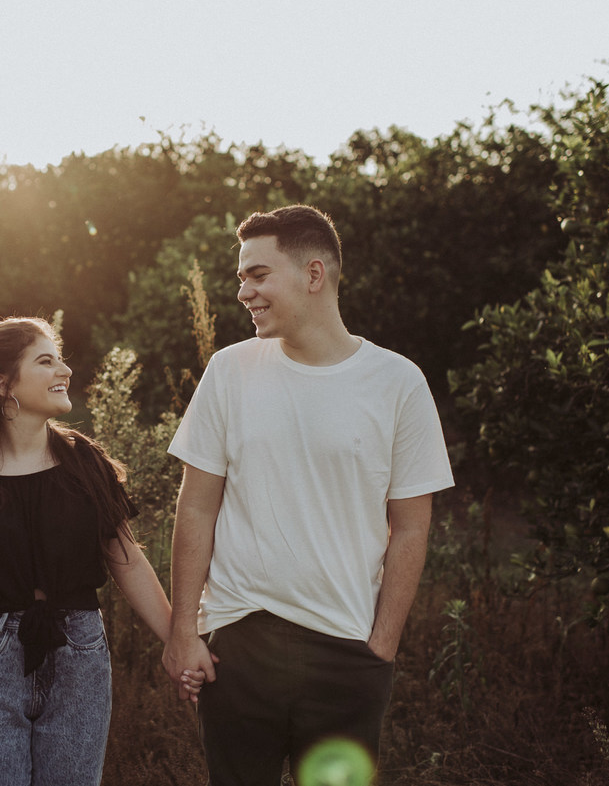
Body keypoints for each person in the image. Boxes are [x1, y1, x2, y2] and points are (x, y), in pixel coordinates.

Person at [161, 205, 455, 785]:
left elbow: (413, 527)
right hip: (239, 645)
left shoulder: (398, 383)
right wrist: (184, 632)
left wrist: (382, 646)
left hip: (347, 652)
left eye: (258, 275)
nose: (243, 291)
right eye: (242, 277)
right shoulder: (229, 371)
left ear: (314, 274)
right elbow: (196, 505)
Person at [0, 317, 204, 786]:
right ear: (4, 384)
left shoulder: (84, 463)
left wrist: (179, 641)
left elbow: (127, 561)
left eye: (61, 358)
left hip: (79, 655)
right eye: (46, 361)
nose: (64, 369)